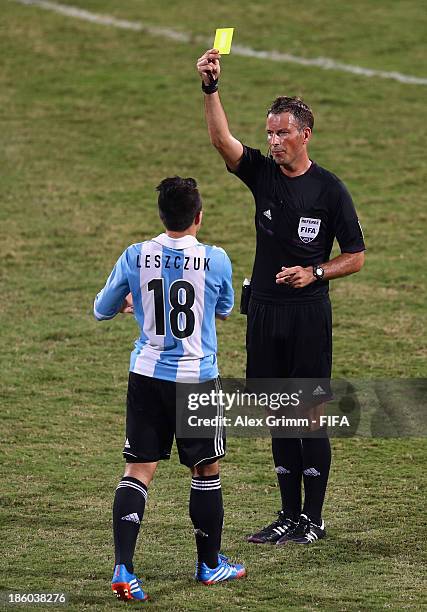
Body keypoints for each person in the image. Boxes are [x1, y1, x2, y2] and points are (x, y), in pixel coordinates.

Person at [196, 49, 365, 546]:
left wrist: (315, 272)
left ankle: (313, 519)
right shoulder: (263, 175)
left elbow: (355, 255)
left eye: (282, 133)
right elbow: (222, 142)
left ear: (304, 134)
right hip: (265, 313)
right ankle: (288, 515)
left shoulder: (330, 190)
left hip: (308, 316)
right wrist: (211, 89)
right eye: (269, 133)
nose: (273, 141)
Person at [93, 177, 245, 602]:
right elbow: (224, 309)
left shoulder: (136, 255)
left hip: (146, 376)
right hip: (196, 378)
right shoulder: (216, 259)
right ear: (199, 217)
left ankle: (124, 566)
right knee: (205, 470)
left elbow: (101, 309)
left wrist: (131, 304)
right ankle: (210, 565)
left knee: (138, 470)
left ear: (161, 216)